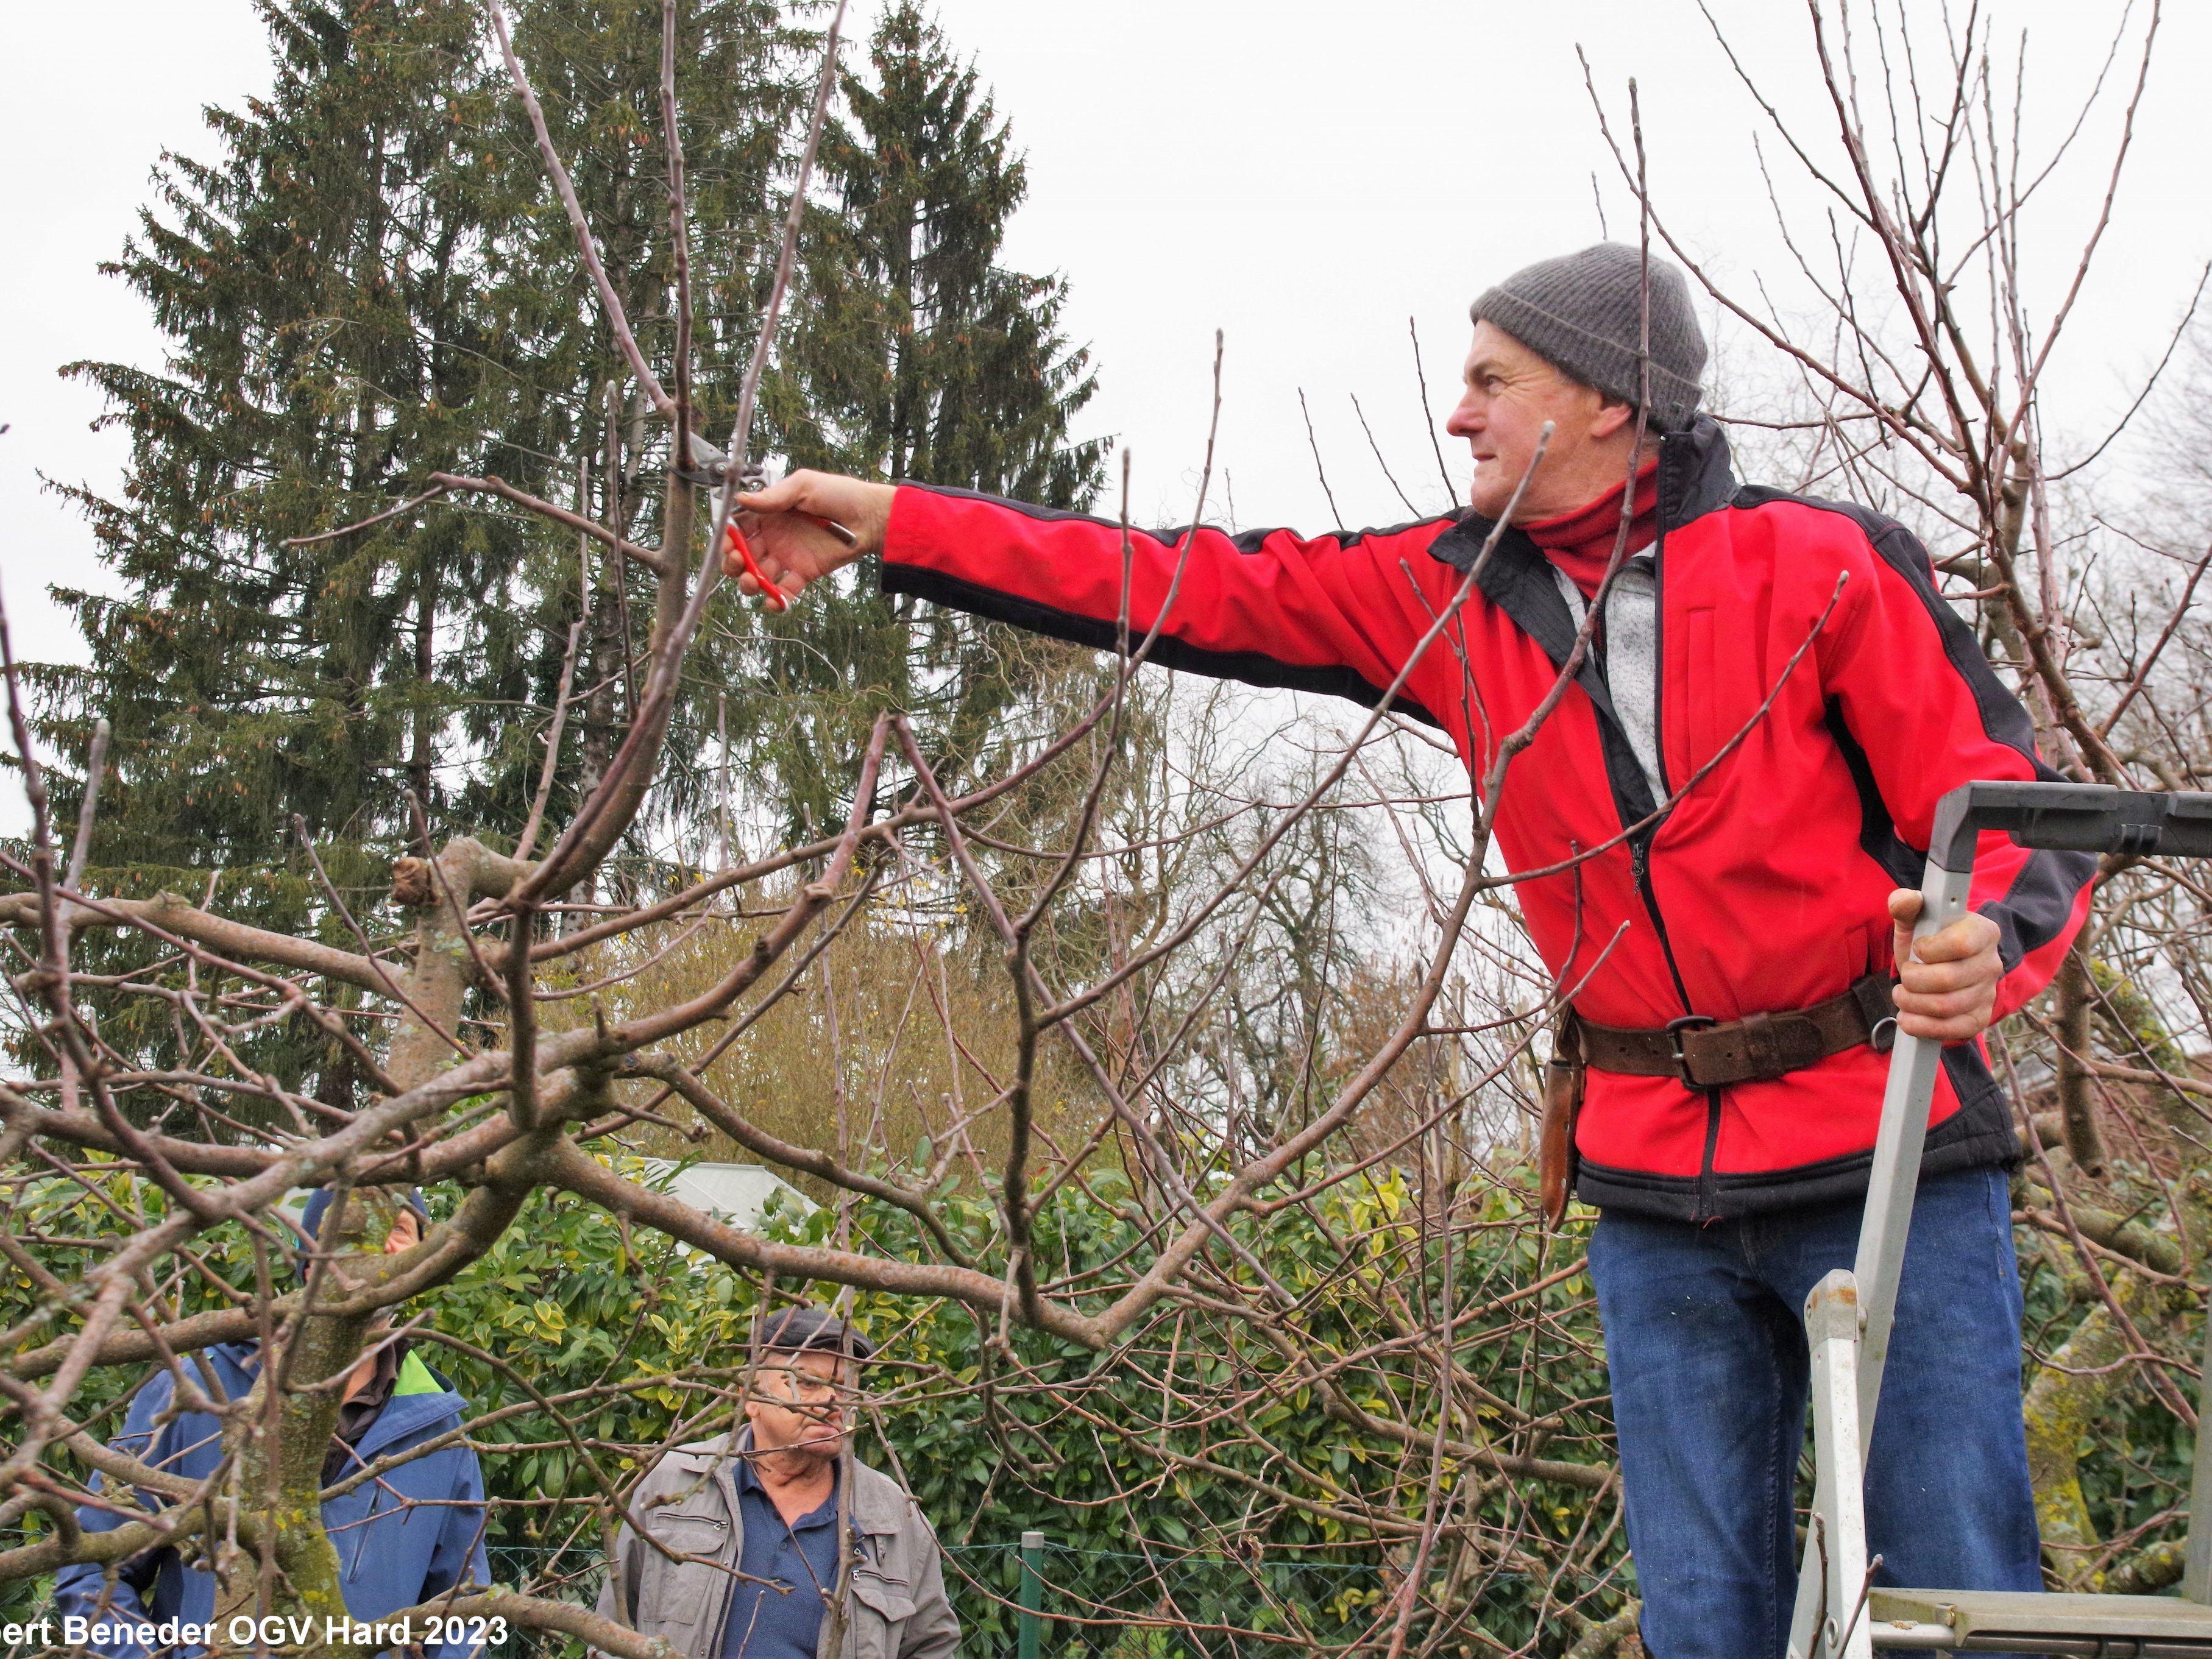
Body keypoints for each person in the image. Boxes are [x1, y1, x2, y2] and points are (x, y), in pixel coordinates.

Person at [725, 243, 2091, 1658]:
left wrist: (1988, 945)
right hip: (1649, 1188)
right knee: (1699, 1622)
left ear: (1613, 401)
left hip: (1883, 1154)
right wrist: (881, 519)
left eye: (1492, 381)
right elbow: (1173, 579)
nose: (1458, 414)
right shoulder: (1443, 594)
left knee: (1949, 1599)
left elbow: (2006, 806)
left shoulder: (1817, 564)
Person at [55, 1188, 491, 1659]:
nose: (377, 1246)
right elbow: (94, 1569)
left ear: (424, 1262)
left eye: (399, 1230)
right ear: (309, 1256)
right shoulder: (196, 1389)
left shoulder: (440, 1433)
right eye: (353, 1228)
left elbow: (464, 1608)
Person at [600, 1305, 957, 1659]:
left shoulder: (894, 1516)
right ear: (753, 1395)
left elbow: (932, 1646)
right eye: (807, 1382)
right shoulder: (677, 1483)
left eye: (846, 1386)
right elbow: (612, 1631)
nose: (831, 1401)